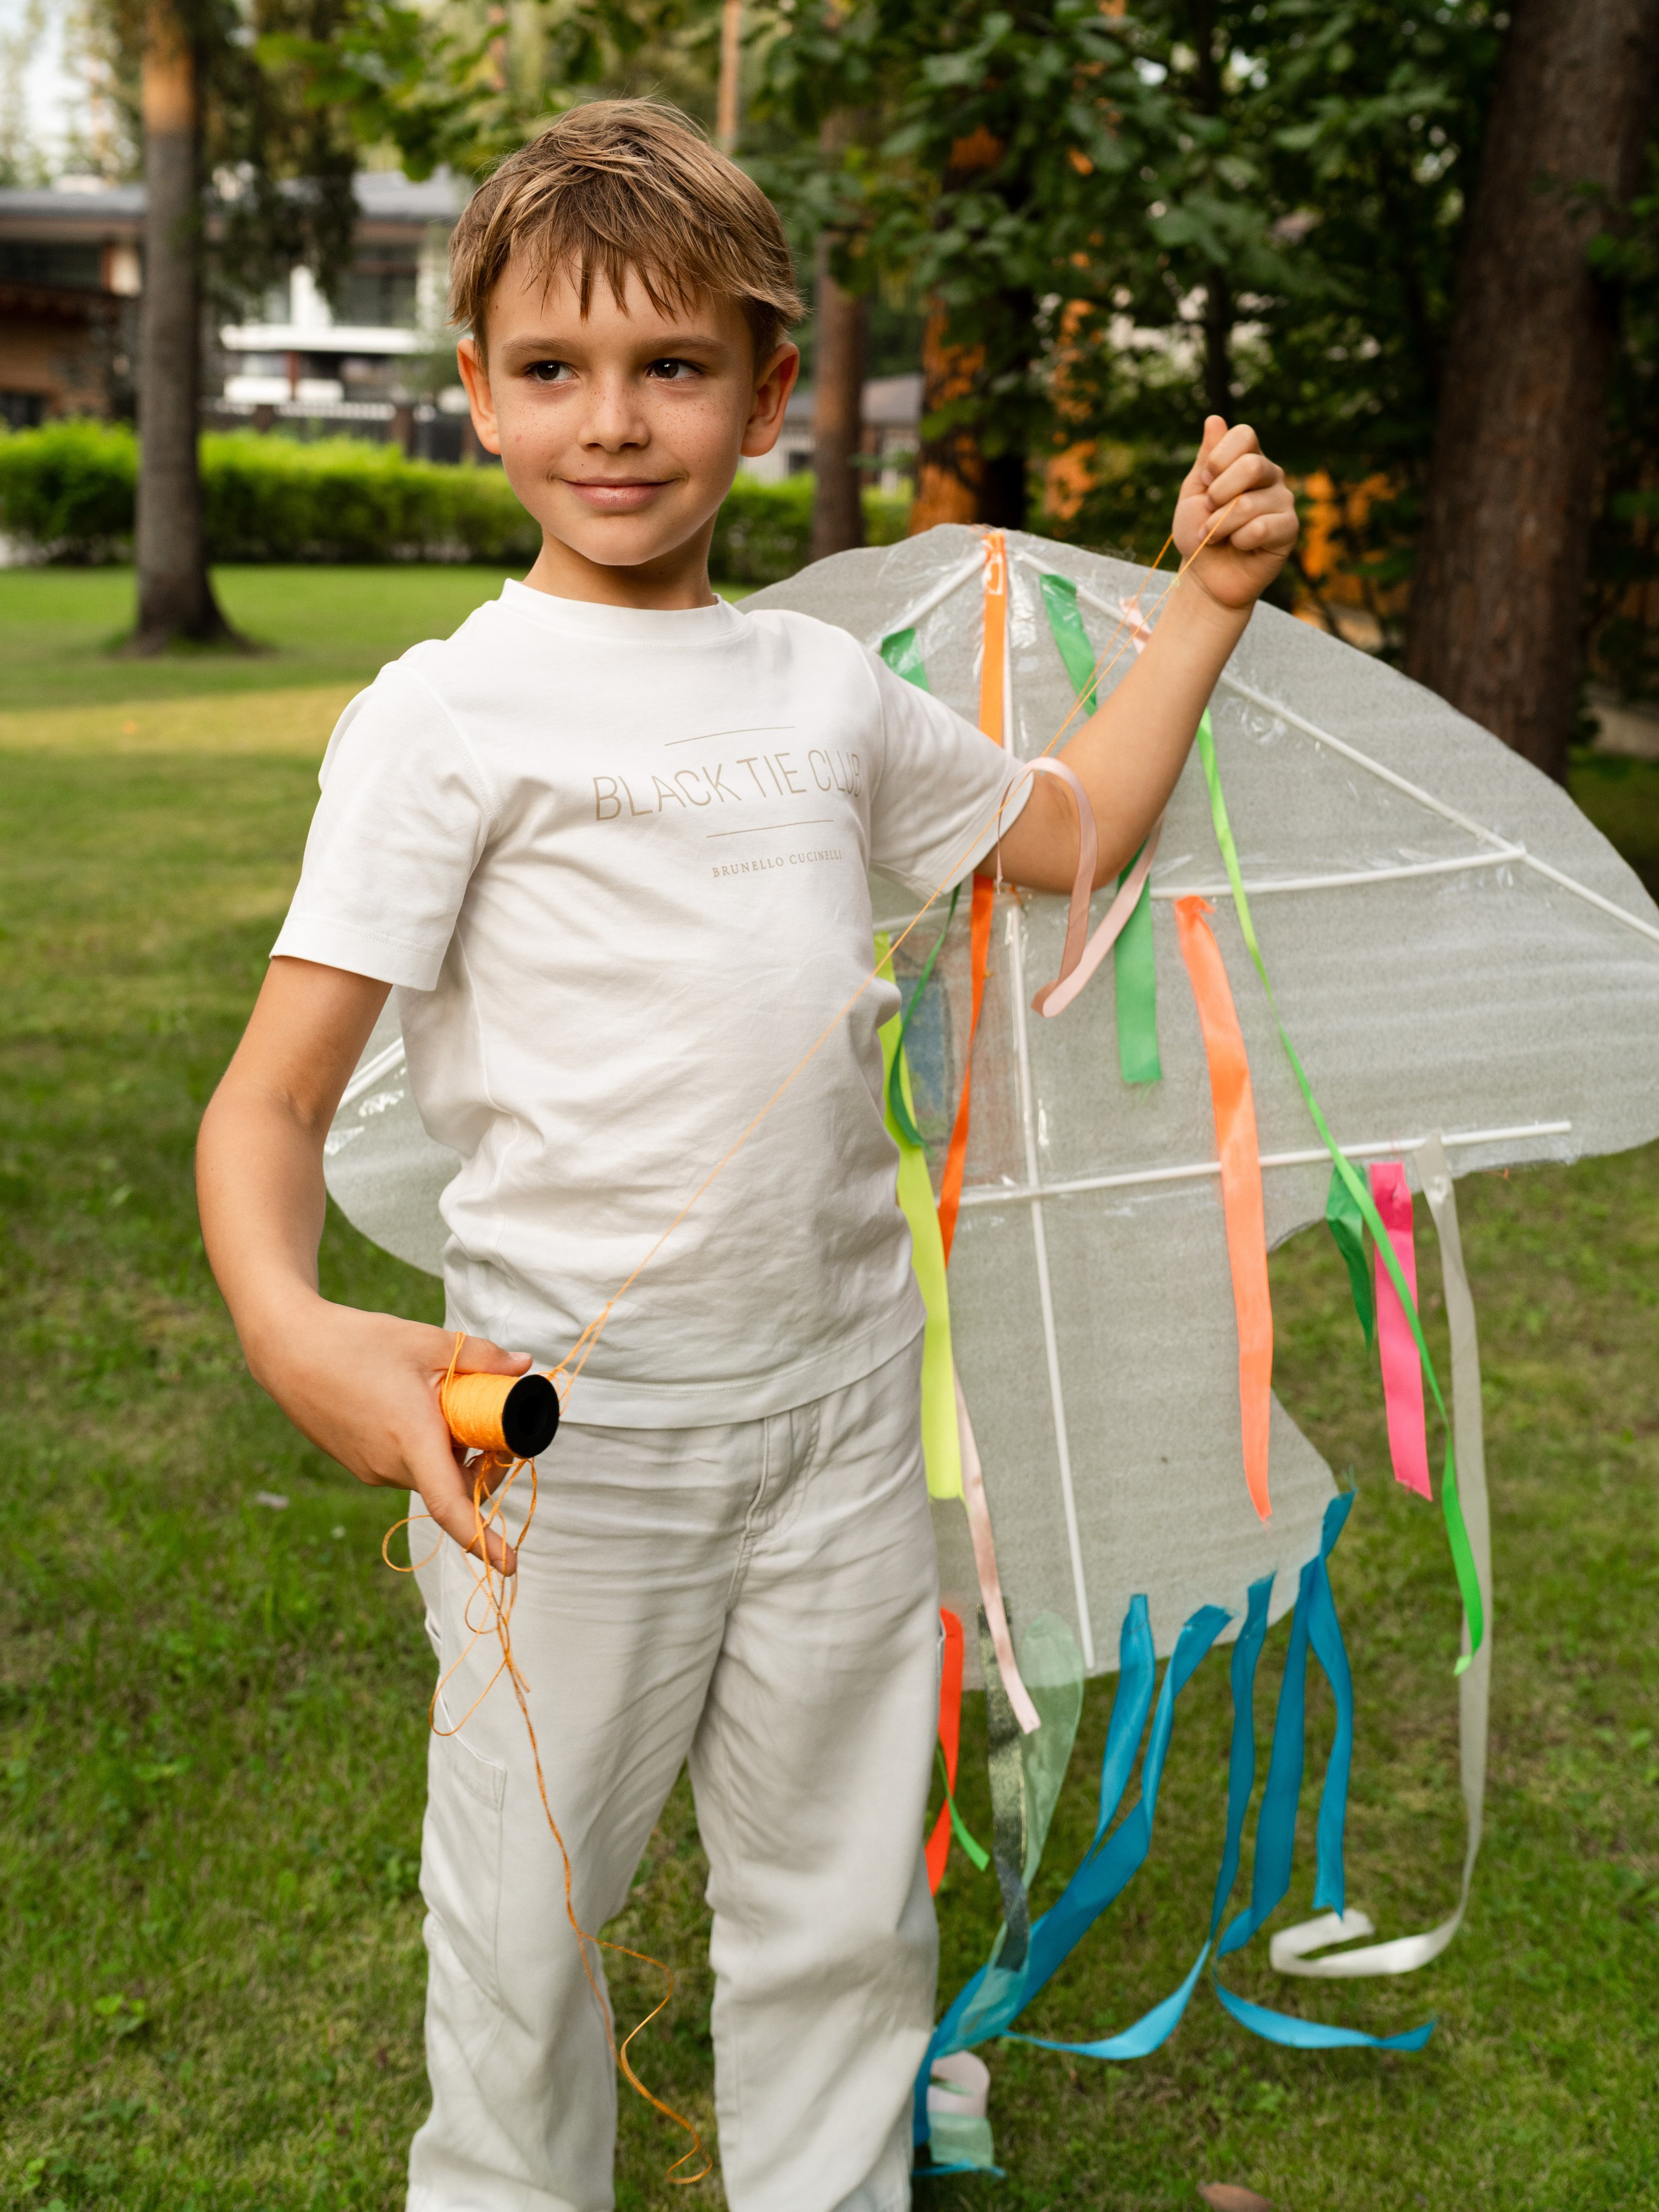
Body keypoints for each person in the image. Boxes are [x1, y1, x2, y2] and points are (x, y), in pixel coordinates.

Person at [194, 97, 1297, 2212]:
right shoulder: (445, 717)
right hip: (561, 1450)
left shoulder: (825, 690)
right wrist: (288, 1324)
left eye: (673, 367)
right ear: (480, 399)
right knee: (527, 1945)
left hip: (841, 1423)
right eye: (554, 370)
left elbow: (1066, 836)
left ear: (772, 390)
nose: (614, 423)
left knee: (838, 1923)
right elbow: (267, 1100)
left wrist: (1209, 606)